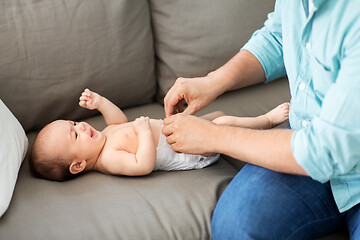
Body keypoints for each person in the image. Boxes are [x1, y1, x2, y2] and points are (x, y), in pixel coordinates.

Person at [162, 0, 360, 239]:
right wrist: (213, 82)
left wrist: (213, 135)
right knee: (235, 227)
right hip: (306, 137)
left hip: (333, 153)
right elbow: (279, 35)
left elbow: (324, 151)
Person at [30, 89, 289, 181]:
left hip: (183, 131)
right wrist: (143, 132)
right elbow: (142, 165)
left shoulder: (107, 136)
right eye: (75, 136)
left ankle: (247, 125)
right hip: (189, 151)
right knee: (222, 122)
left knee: (215, 115)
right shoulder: (108, 160)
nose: (82, 127)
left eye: (74, 123)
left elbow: (119, 121)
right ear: (78, 165)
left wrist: (100, 102)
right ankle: (266, 120)